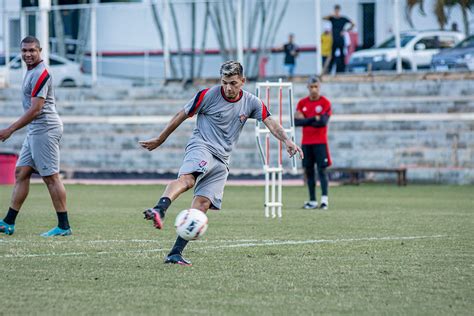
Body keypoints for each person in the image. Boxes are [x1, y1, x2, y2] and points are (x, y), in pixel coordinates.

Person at [139, 61, 303, 266]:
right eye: (225, 82)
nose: (228, 87)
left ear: (243, 81)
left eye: (233, 83)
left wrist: (287, 140)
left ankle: (175, 254)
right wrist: (161, 138)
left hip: (223, 159)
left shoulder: (252, 102)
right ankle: (159, 209)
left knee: (203, 203)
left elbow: (270, 121)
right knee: (188, 180)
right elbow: (181, 115)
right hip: (202, 146)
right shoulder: (207, 95)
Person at [0, 36, 71, 236]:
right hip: (35, 130)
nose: (28, 54)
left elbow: (36, 110)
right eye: (24, 51)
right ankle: (8, 222)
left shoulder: (41, 73)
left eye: (32, 50)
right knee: (21, 173)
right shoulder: (30, 71)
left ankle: (64, 226)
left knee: (51, 177)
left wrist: (10, 129)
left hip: (45, 129)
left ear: (40, 50)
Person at [294, 76, 332, 210]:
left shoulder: (325, 103)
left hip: (320, 142)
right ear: (308, 87)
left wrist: (307, 120)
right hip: (306, 143)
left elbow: (323, 122)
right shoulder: (302, 103)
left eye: (316, 87)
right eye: (311, 87)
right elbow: (296, 122)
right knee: (309, 172)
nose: (314, 90)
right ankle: (312, 201)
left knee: (322, 171)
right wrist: (314, 118)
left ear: (319, 87)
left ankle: (324, 200)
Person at [323, 4, 355, 73]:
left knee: (342, 55)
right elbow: (323, 18)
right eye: (335, 10)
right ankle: (330, 70)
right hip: (334, 40)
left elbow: (353, 23)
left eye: (337, 10)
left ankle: (343, 70)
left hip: (340, 39)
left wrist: (346, 30)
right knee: (333, 56)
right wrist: (331, 15)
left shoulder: (343, 19)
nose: (336, 12)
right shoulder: (332, 19)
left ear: (339, 10)